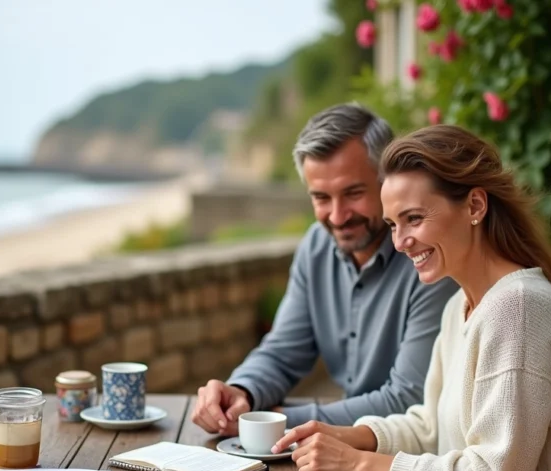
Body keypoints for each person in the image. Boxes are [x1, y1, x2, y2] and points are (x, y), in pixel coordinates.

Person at [270, 124, 551, 471]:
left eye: (414, 218)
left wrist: (361, 465)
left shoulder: (517, 311)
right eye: (392, 224)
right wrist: (353, 435)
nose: (400, 240)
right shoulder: (462, 305)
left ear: (474, 205)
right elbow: (430, 426)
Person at [190, 103, 457, 438]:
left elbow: (408, 399)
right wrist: (242, 391)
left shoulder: (428, 256)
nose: (337, 216)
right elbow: (283, 351)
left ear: (388, 181)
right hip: (348, 452)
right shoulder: (316, 246)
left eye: (353, 193)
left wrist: (280, 420)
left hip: (412, 463)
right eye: (321, 198)